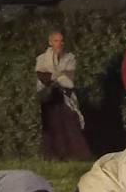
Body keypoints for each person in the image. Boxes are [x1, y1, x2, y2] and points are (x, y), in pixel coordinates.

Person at [35, 31, 93, 161]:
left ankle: (75, 156)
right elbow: (42, 76)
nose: (59, 43)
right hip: (49, 97)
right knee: (52, 126)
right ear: (50, 42)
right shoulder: (42, 58)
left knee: (70, 124)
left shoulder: (69, 58)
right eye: (56, 41)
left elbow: (69, 77)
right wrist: (57, 75)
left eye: (61, 41)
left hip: (65, 96)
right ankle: (53, 156)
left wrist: (54, 76)